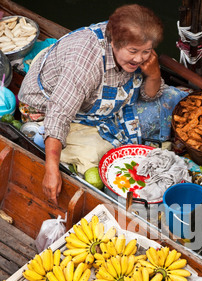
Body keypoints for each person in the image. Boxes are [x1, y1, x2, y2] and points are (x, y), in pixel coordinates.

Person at [18, 4, 188, 204]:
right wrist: (51, 170)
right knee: (101, 155)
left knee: (173, 98)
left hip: (101, 102)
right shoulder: (85, 64)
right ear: (114, 41)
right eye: (133, 51)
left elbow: (150, 95)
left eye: (146, 51)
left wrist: (153, 74)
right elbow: (59, 115)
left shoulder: (135, 49)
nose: (139, 59)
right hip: (49, 107)